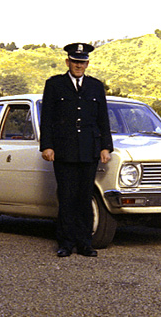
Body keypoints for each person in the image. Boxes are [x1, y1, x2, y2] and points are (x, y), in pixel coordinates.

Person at [40, 43, 113, 257]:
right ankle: (65, 243)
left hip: (89, 150)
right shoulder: (55, 84)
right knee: (66, 197)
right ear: (67, 62)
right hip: (64, 150)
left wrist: (106, 147)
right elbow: (47, 118)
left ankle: (84, 243)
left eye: (82, 62)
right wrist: (47, 145)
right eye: (75, 62)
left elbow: (103, 119)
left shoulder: (95, 86)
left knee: (84, 198)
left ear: (87, 64)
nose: (78, 66)